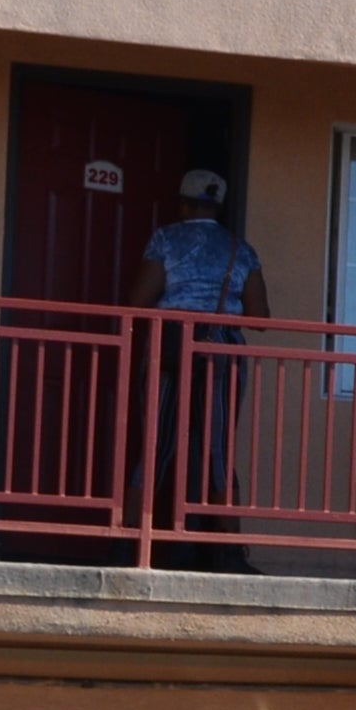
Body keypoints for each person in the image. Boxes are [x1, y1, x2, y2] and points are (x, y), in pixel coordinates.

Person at [124, 169, 265, 560]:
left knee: (156, 443)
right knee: (218, 448)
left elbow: (137, 300)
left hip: (168, 344)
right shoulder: (241, 249)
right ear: (218, 208)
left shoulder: (167, 239)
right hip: (221, 349)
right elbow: (260, 316)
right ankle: (229, 549)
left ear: (184, 204)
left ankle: (131, 541)